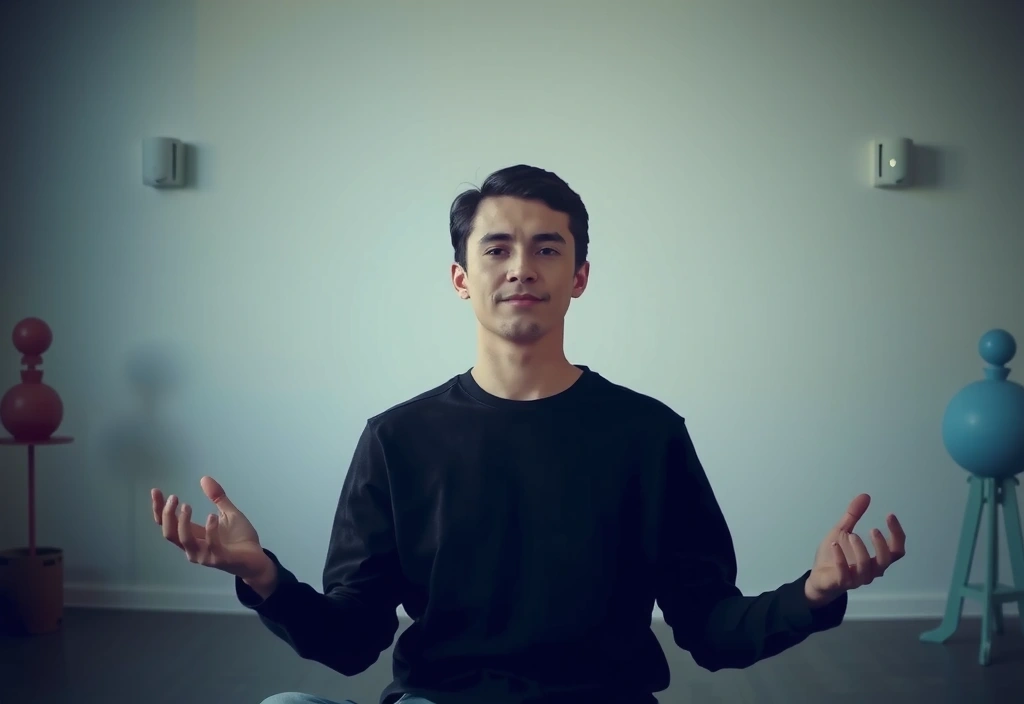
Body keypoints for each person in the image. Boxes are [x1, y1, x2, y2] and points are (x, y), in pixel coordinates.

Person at [151, 164, 907, 704]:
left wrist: (812, 595)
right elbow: (352, 641)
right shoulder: (397, 440)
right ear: (460, 278)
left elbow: (710, 628)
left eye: (548, 247)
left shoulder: (647, 434)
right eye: (498, 248)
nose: (523, 268)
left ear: (579, 275)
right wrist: (263, 577)